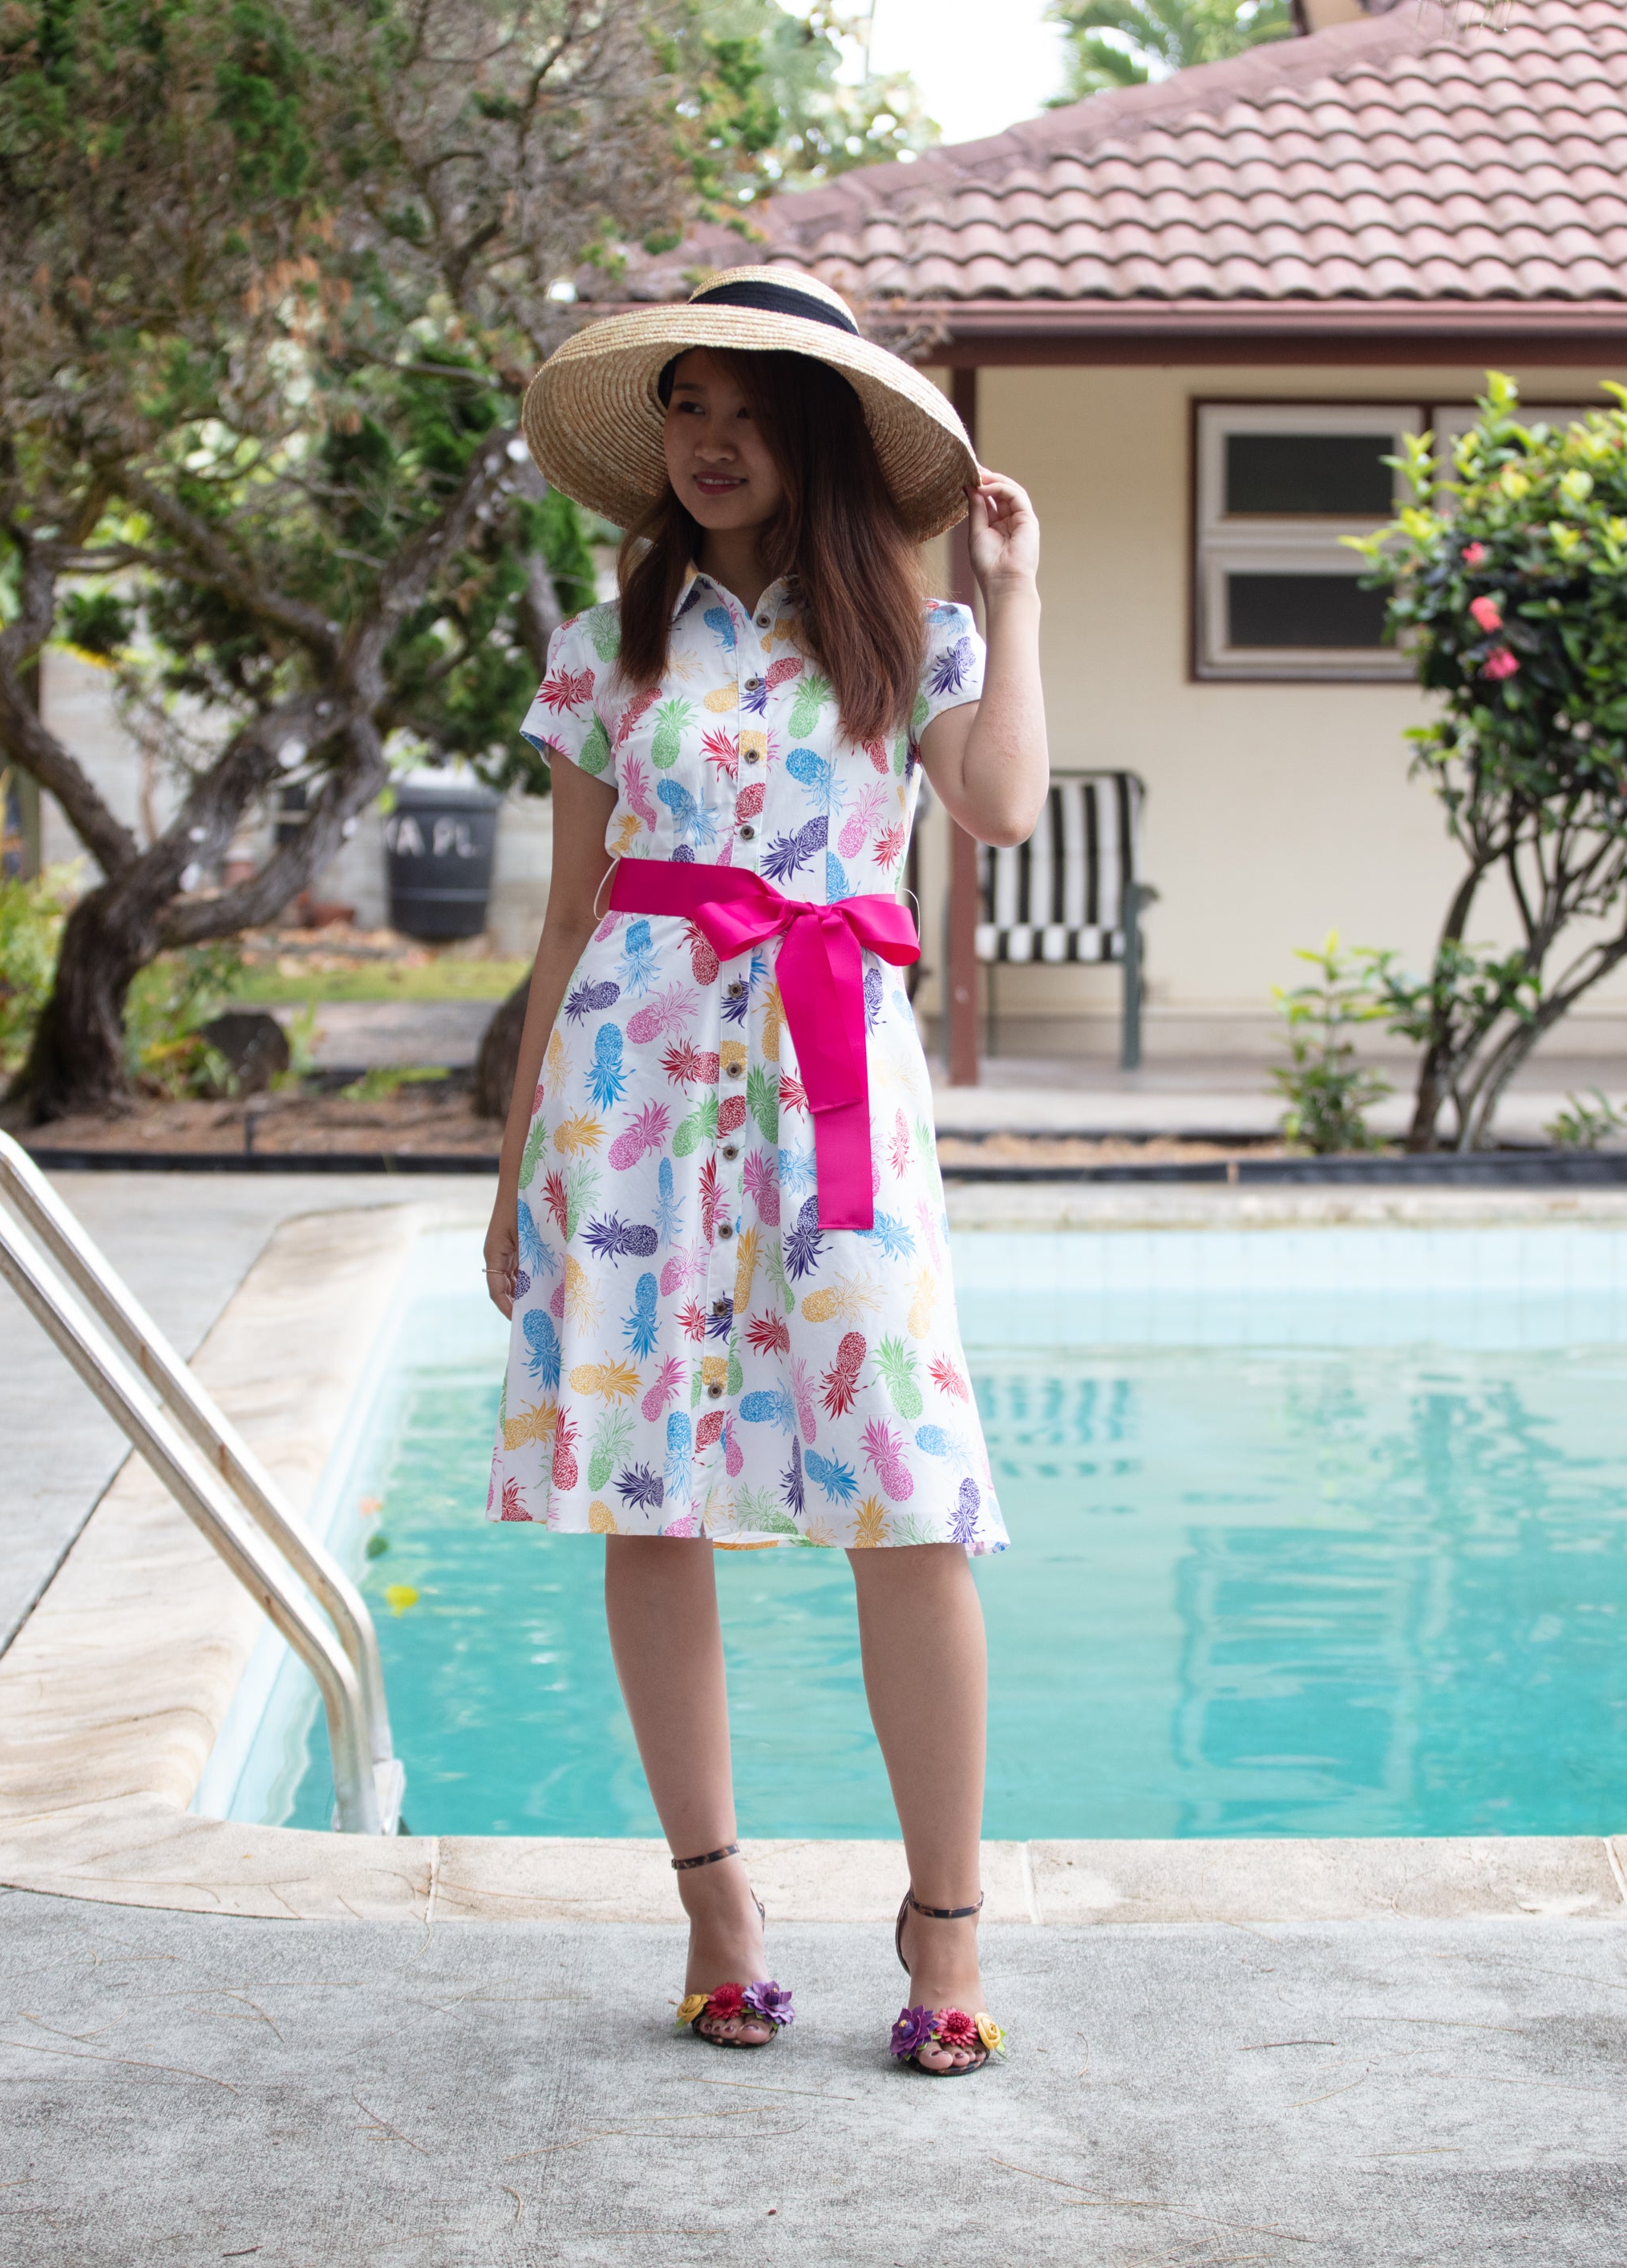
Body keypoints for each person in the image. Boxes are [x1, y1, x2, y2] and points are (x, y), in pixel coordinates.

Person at [484, 266, 1047, 2077]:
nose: (711, 442)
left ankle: (942, 1919)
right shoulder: (604, 645)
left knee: (910, 1490)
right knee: (648, 1490)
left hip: (833, 1090)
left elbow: (1005, 808)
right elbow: (570, 915)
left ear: (814, 438)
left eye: (749, 411)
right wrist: (509, 1174)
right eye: (687, 408)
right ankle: (717, 1908)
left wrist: (1012, 603)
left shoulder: (913, 639)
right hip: (627, 1084)